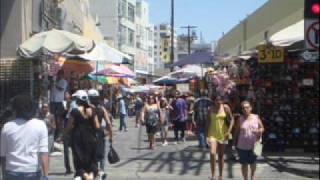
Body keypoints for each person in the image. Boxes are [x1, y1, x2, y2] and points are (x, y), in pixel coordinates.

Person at [1, 95, 49, 180]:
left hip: (12, 171)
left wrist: (4, 175)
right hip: (32, 171)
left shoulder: (7, 127)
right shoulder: (40, 125)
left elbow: (3, 155)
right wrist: (45, 176)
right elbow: (44, 152)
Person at [64, 90, 100, 180]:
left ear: (78, 100)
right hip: (91, 138)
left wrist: (63, 134)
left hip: (78, 139)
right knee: (91, 161)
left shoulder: (75, 111)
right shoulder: (92, 110)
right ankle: (90, 175)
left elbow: (69, 126)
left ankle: (86, 176)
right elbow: (97, 125)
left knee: (79, 161)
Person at [234, 101, 264, 180]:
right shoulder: (239, 119)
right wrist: (233, 144)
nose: (245, 109)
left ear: (250, 108)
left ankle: (253, 176)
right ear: (242, 110)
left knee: (253, 162)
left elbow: (262, 128)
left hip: (256, 144)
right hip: (242, 145)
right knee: (244, 164)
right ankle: (245, 178)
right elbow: (236, 132)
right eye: (243, 108)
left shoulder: (256, 117)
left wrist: (260, 130)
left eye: (247, 107)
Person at [206, 96, 235, 180]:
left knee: (221, 156)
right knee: (212, 153)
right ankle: (213, 175)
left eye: (220, 100)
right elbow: (208, 121)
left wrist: (229, 131)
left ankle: (221, 175)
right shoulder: (210, 109)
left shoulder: (225, 107)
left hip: (223, 134)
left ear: (222, 101)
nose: (218, 102)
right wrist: (206, 136)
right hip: (212, 134)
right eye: (217, 100)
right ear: (214, 101)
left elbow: (232, 119)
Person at [88, 89, 113, 178]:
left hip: (89, 135)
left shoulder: (87, 109)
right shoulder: (102, 109)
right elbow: (109, 123)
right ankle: (101, 172)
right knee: (101, 155)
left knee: (90, 156)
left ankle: (93, 173)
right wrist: (110, 135)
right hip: (100, 134)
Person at [50, 69, 68, 141]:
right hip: (53, 101)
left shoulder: (64, 81)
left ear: (63, 75)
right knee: (53, 117)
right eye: (58, 74)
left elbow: (61, 89)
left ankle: (58, 134)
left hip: (59, 102)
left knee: (58, 119)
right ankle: (54, 133)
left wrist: (55, 84)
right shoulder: (56, 81)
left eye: (60, 74)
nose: (59, 75)